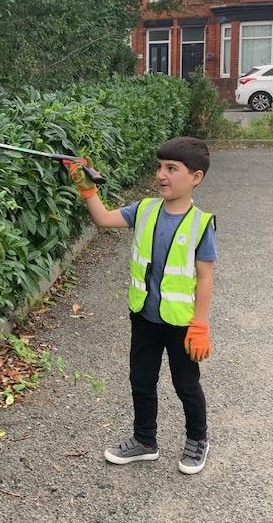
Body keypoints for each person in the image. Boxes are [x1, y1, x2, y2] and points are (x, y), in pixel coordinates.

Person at [68, 136, 217, 475]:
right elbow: (104, 219)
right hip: (145, 317)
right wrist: (88, 191)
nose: (161, 175)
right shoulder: (145, 209)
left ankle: (197, 440)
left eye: (171, 169)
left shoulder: (201, 224)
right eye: (160, 167)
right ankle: (145, 441)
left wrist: (200, 325)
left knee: (186, 384)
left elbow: (205, 278)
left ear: (195, 177)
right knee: (141, 380)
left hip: (181, 323)